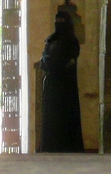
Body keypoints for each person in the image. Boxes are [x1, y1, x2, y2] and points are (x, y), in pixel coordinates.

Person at [38, 11, 84, 152]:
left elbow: (70, 60)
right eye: (57, 20)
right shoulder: (50, 40)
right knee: (51, 117)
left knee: (67, 116)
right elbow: (44, 59)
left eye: (62, 20)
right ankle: (50, 146)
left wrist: (57, 64)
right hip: (52, 83)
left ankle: (69, 147)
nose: (59, 23)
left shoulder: (72, 41)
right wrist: (48, 63)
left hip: (66, 85)